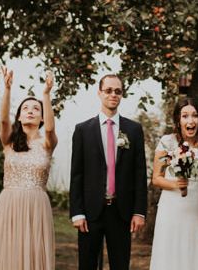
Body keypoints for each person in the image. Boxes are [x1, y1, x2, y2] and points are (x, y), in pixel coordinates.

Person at [69, 73, 147, 270]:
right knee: (87, 265)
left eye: (118, 91)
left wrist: (139, 211)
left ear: (122, 95)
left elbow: (139, 173)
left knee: (120, 265)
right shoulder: (83, 130)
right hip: (90, 212)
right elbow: (76, 175)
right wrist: (77, 212)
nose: (113, 95)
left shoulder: (134, 130)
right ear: (99, 93)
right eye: (108, 90)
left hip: (121, 212)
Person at [0, 68, 58, 270]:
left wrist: (46, 94)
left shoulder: (47, 143)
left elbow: (51, 129)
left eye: (36, 109)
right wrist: (7, 89)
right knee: (9, 253)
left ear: (42, 118)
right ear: (19, 117)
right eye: (25, 108)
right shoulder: (8, 142)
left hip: (36, 205)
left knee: (34, 253)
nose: (30, 111)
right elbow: (3, 120)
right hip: (9, 204)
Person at [149, 98, 198, 270]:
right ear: (178, 120)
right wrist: (176, 184)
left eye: (195, 116)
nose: (190, 120)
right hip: (171, 210)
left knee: (194, 258)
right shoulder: (167, 142)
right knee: (170, 258)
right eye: (185, 116)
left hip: (197, 211)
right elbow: (156, 178)